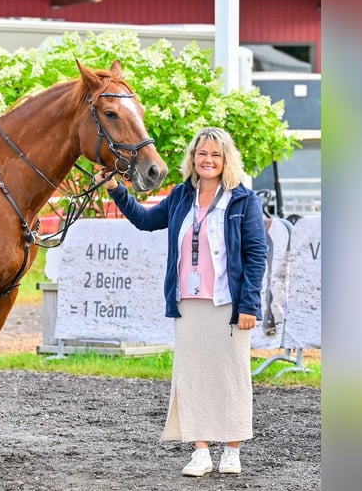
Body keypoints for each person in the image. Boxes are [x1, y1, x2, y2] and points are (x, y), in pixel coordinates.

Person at [95, 126, 267, 477]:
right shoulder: (179, 196)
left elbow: (256, 254)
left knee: (231, 376)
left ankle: (232, 449)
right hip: (188, 303)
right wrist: (116, 189)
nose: (208, 160)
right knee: (192, 377)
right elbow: (145, 221)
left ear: (226, 160)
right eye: (202, 153)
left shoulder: (243, 200)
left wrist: (250, 305)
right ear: (192, 158)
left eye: (215, 155)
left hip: (228, 304)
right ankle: (201, 451)